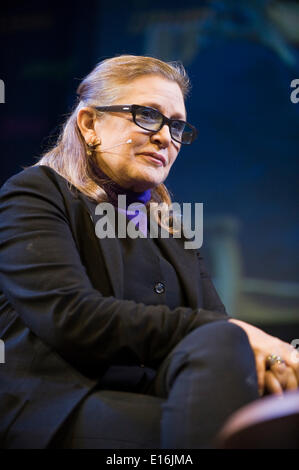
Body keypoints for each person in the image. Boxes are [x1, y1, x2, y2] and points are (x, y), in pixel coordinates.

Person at [0, 55, 298, 449]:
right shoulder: (36, 193)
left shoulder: (171, 229)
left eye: (176, 126)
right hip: (57, 405)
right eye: (146, 115)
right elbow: (69, 317)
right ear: (90, 125)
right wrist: (234, 332)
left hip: (158, 394)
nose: (165, 138)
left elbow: (215, 336)